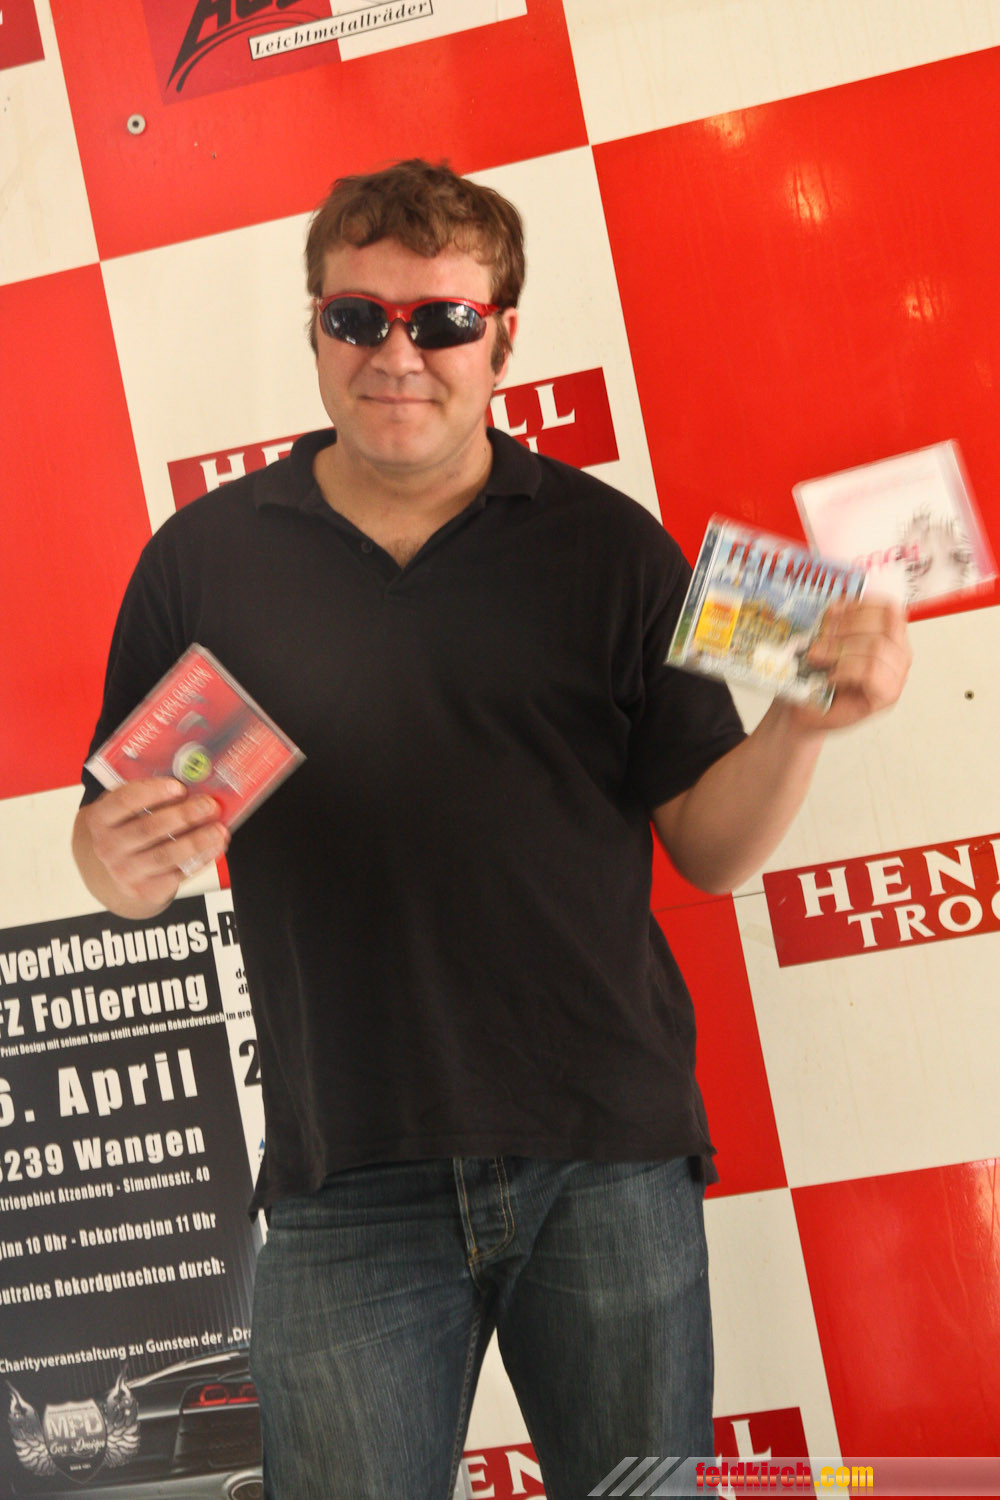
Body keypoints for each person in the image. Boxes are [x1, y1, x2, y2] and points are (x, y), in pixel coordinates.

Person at [73, 159, 910, 1500]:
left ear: (503, 338)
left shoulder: (615, 551)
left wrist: (805, 724)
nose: (398, 354)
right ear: (315, 328)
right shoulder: (205, 560)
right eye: (359, 317)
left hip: (605, 1155)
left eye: (444, 321)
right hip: (346, 1171)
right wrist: (111, 862)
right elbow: (116, 852)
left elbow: (710, 851)